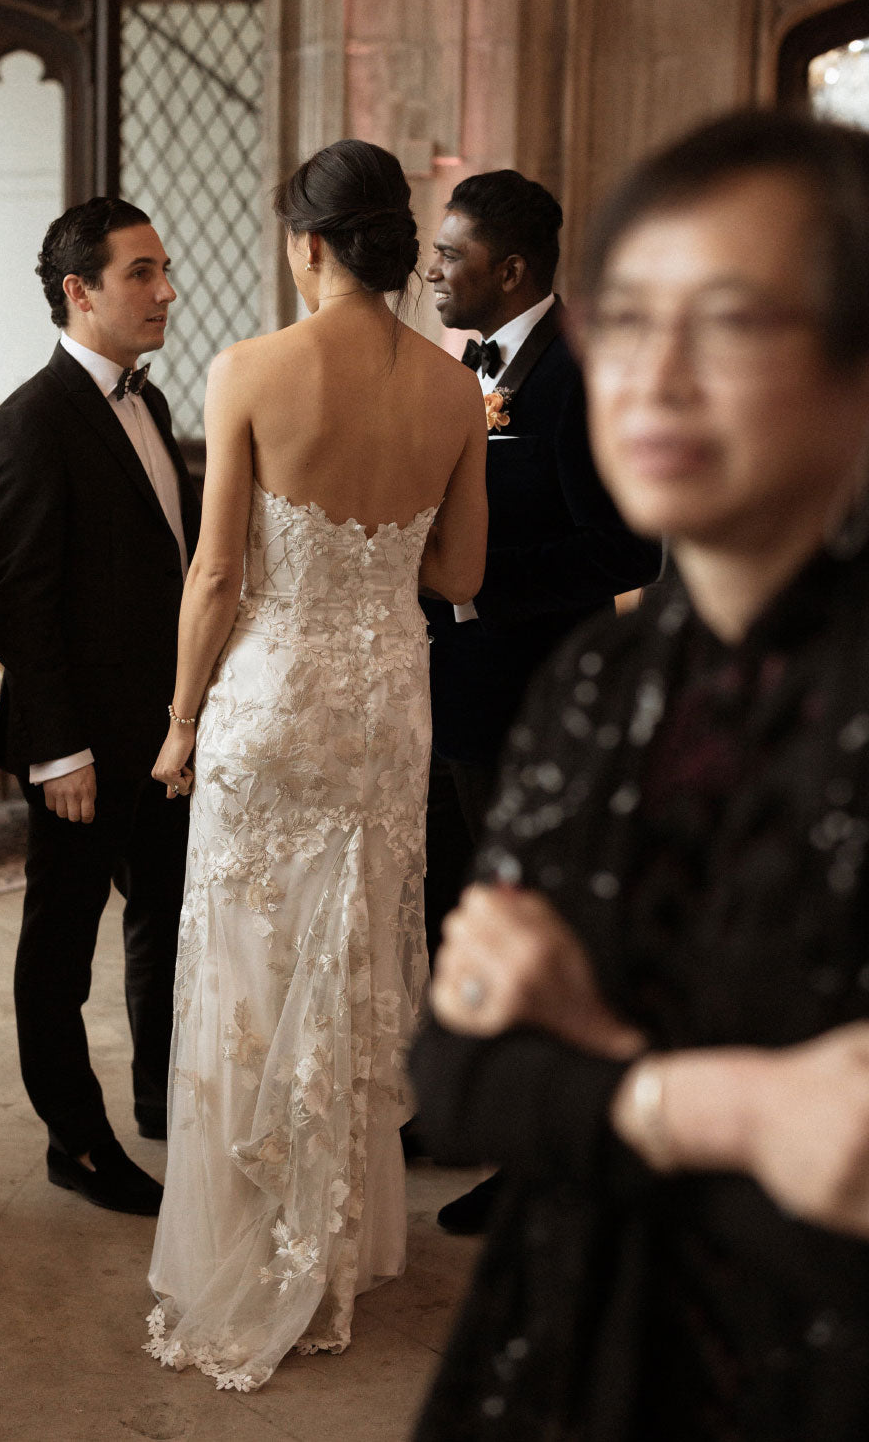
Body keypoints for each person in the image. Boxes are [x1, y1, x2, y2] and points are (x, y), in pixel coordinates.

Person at [412, 109, 869, 1441]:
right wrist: (723, 1103)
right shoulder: (602, 684)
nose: (652, 378)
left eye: (728, 322)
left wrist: (600, 1069)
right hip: (579, 1331)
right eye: (628, 322)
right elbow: (461, 1078)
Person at [145, 138, 488, 1390]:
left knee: (248, 967)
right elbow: (461, 576)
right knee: (347, 971)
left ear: (308, 245)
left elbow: (219, 573)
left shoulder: (252, 368)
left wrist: (182, 721)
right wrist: (378, 570)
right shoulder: (457, 392)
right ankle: (331, 1248)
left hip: (273, 702)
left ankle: (248, 1246)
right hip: (388, 704)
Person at [423, 170, 662, 1234]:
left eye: (452, 254)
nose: (434, 268)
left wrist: (480, 594)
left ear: (509, 270)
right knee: (448, 915)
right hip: (446, 693)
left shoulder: (576, 372)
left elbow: (624, 548)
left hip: (524, 695)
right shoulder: (464, 367)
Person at [0, 198, 200, 1218]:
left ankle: (162, 1106)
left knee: (167, 917)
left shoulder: (149, 406)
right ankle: (78, 1140)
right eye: (141, 273)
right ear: (80, 290)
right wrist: (60, 752)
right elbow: (21, 597)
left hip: (161, 732)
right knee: (59, 947)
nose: (164, 291)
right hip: (82, 747)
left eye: (163, 270)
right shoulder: (31, 420)